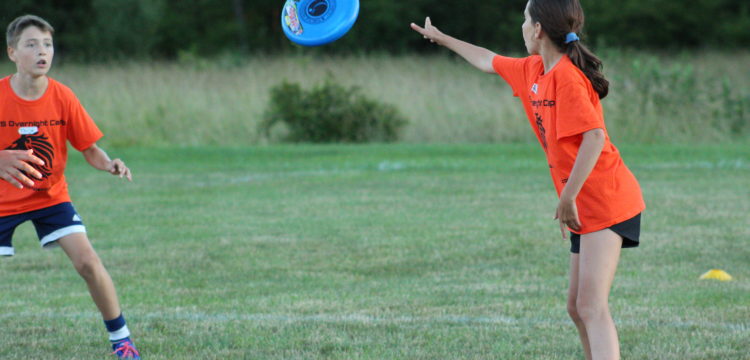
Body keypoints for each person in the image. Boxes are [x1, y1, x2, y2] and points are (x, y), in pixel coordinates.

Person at [412, 1, 645, 359]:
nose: (521, 26)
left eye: (525, 19)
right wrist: (444, 39)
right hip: (584, 200)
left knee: (592, 307)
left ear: (538, 30)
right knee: (576, 307)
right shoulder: (533, 70)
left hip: (607, 200)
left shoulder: (567, 75)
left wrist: (567, 197)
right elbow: (487, 59)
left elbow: (594, 138)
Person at [1, 15, 140, 359]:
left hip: (50, 197)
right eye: (31, 44)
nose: (42, 51)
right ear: (13, 52)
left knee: (88, 263)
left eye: (47, 44)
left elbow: (89, 147)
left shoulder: (63, 96)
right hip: (1, 201)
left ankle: (121, 341)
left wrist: (109, 163)